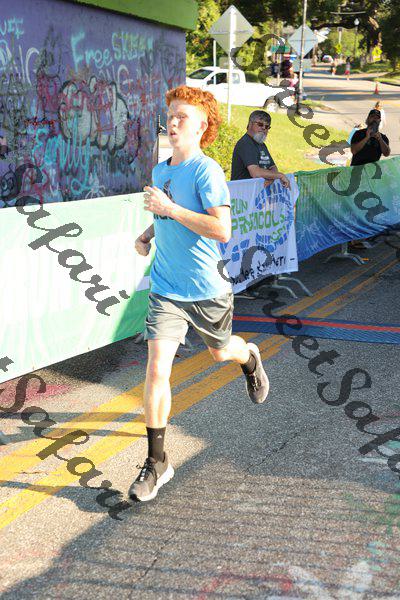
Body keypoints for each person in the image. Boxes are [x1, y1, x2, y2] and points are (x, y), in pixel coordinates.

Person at [129, 86, 270, 502]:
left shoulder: (206, 171)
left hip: (207, 288)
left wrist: (169, 209)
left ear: (201, 126)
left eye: (182, 117)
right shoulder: (161, 170)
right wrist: (149, 233)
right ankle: (157, 461)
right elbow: (168, 218)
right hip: (166, 287)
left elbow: (222, 229)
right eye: (170, 115)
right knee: (157, 370)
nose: (172, 123)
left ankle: (249, 357)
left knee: (220, 352)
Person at [230, 110, 290, 188]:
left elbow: (273, 167)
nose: (264, 128)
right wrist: (280, 175)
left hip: (255, 192)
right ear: (250, 124)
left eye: (267, 127)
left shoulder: (262, 145)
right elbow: (255, 172)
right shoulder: (245, 143)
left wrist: (272, 177)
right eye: (260, 124)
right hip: (242, 192)